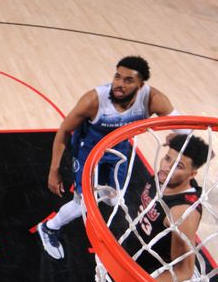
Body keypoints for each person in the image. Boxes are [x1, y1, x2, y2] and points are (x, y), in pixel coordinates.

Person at [38, 56, 177, 260]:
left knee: (114, 199)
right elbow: (64, 131)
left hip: (118, 150)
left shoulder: (152, 99)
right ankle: (49, 228)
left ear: (140, 85)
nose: (119, 84)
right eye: (117, 76)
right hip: (88, 152)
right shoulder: (94, 100)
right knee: (84, 203)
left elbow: (181, 125)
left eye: (128, 80)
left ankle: (101, 198)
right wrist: (54, 170)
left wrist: (181, 138)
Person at [125, 134, 210, 282]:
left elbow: (180, 271)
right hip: (151, 252)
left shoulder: (181, 213)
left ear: (192, 175)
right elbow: (181, 152)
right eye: (167, 159)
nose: (167, 168)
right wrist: (177, 141)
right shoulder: (164, 177)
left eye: (178, 166)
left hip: (169, 270)